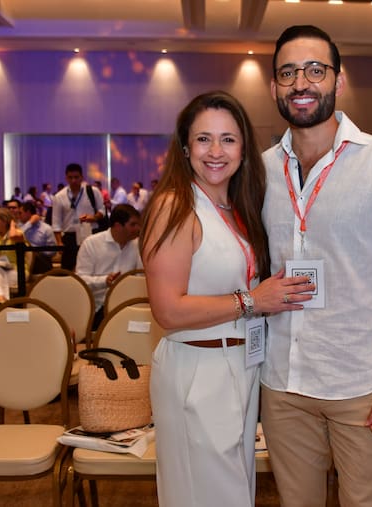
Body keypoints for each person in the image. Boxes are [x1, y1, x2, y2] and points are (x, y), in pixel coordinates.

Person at [261, 25, 372, 507]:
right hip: (282, 383)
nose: (301, 83)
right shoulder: (260, 171)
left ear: (338, 81)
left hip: (363, 385)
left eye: (315, 70)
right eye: (288, 73)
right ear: (274, 87)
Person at [140, 91, 314, 507]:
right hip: (197, 370)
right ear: (185, 148)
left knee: (234, 492)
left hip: (238, 366)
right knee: (206, 494)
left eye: (228, 139)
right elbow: (167, 310)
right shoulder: (174, 206)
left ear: (243, 148)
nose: (216, 151)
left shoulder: (236, 208)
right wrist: (252, 300)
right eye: (204, 139)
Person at [76, 204, 142, 330]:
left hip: (127, 306)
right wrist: (104, 281)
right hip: (97, 307)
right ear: (118, 226)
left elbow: (141, 277)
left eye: (138, 224)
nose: (138, 229)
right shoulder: (91, 244)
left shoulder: (138, 245)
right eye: (133, 225)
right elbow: (80, 280)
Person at [52, 163, 105, 270]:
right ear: (66, 178)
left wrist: (94, 218)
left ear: (82, 177)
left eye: (76, 177)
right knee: (68, 269)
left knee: (92, 267)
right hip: (69, 236)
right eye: (70, 177)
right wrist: (59, 242)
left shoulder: (93, 192)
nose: (73, 180)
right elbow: (56, 223)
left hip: (89, 233)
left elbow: (102, 210)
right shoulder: (59, 196)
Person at [18, 201, 57, 274]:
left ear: (28, 212)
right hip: (23, 261)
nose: (18, 216)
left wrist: (35, 253)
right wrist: (29, 223)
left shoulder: (46, 228)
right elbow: (17, 235)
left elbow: (52, 251)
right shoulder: (20, 226)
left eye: (20, 213)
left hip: (41, 261)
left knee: (34, 255)